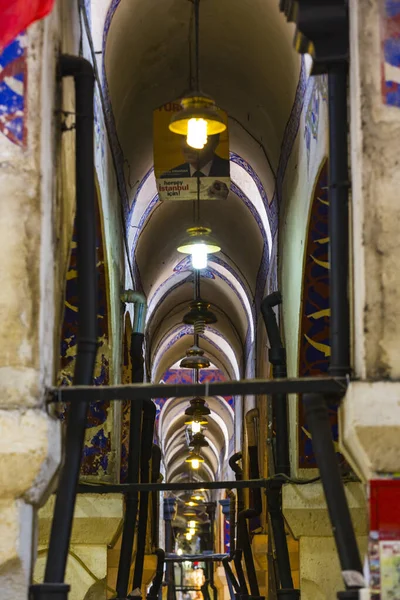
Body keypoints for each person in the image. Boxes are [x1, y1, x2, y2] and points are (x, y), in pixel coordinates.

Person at [161, 133, 230, 179]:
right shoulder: (168, 178)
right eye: (184, 137)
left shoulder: (230, 172)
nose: (188, 146)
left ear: (215, 142)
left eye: (198, 137)